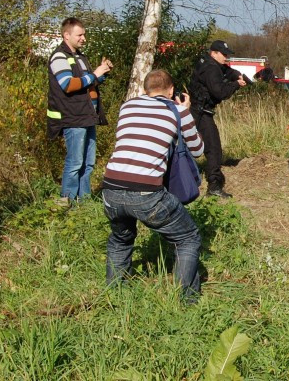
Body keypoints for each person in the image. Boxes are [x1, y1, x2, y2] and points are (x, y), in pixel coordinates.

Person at [101, 69, 205, 301]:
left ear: (145, 89)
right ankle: (186, 299)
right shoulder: (178, 110)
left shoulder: (127, 106)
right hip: (146, 192)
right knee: (188, 238)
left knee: (121, 238)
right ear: (171, 90)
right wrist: (186, 113)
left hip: (110, 188)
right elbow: (198, 150)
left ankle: (114, 296)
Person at [47, 17, 112, 203]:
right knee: (75, 162)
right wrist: (95, 74)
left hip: (88, 115)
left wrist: (103, 74)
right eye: (80, 35)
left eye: (84, 34)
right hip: (73, 116)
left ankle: (84, 203)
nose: (84, 38)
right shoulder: (59, 56)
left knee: (88, 164)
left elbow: (89, 83)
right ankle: (65, 201)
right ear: (66, 35)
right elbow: (68, 84)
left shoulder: (80, 57)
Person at [188, 40, 246, 198]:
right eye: (224, 54)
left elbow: (225, 70)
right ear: (213, 53)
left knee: (187, 145)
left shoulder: (206, 62)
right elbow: (219, 92)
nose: (226, 57)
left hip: (195, 110)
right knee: (213, 148)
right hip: (201, 112)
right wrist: (236, 84)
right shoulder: (212, 69)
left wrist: (235, 74)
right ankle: (214, 185)